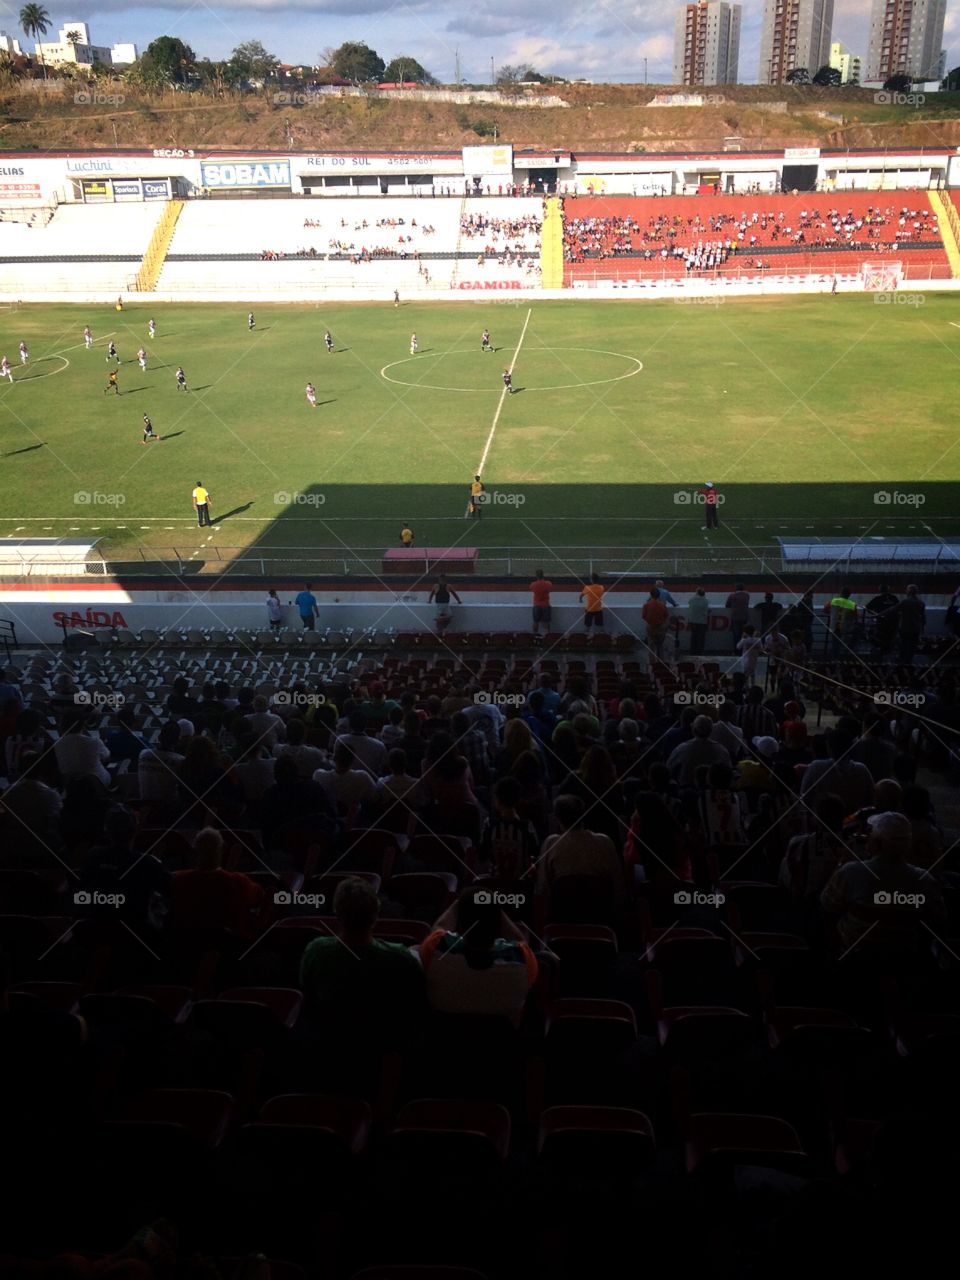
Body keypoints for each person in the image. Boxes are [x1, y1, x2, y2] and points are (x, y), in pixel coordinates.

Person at [300, 877, 424, 1035]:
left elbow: (308, 994)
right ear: (376, 914)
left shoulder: (316, 951)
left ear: (337, 913)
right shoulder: (400, 958)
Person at [820, 810, 944, 951]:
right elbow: (937, 920)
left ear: (877, 843)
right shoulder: (925, 880)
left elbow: (827, 908)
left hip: (855, 960)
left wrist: (841, 864)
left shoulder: (850, 872)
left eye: (871, 835)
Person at [416, 887, 538, 1024]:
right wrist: (494, 908)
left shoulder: (437, 950)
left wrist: (461, 902)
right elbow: (521, 941)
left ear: (459, 925)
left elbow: (438, 929)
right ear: (499, 927)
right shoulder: (522, 959)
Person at [537, 794, 627, 914]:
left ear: (557, 819)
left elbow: (542, 890)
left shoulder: (551, 844)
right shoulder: (604, 842)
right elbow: (619, 887)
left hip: (562, 919)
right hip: (600, 918)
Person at [169, 828, 266, 938]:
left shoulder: (179, 880)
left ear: (195, 850)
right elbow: (258, 896)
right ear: (222, 849)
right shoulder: (238, 881)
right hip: (231, 947)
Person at [667, 714, 732, 786]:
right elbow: (729, 771)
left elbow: (669, 768)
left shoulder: (681, 749)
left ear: (693, 729)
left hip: (687, 792)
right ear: (711, 730)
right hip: (714, 790)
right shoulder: (722, 751)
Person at [54, 712, 111, 787]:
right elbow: (106, 756)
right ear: (83, 725)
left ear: (62, 725)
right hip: (98, 784)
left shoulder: (57, 744)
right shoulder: (95, 742)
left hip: (69, 785)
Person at [886, 584, 925, 664]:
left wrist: (878, 614)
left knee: (903, 645)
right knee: (912, 647)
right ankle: (909, 661)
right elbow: (923, 618)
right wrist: (922, 629)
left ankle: (902, 661)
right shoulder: (921, 603)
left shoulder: (905, 602)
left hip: (905, 628)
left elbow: (892, 610)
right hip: (916, 628)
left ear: (908, 592)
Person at [866, 583, 899, 654]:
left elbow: (867, 608)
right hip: (893, 623)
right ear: (888, 590)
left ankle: (880, 652)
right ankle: (887, 653)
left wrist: (875, 614)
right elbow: (899, 608)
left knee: (880, 638)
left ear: (880, 590)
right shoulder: (894, 598)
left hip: (881, 623)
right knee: (890, 639)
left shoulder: (877, 599)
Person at [827, 586, 857, 655]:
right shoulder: (852, 604)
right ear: (849, 595)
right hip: (846, 628)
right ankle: (843, 657)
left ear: (841, 593)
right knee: (844, 645)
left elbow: (825, 609)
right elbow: (856, 616)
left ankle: (834, 658)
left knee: (835, 644)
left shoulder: (834, 601)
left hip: (834, 627)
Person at [642, 587, 670, 660]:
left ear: (651, 595)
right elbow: (666, 615)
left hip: (651, 627)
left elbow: (644, 616)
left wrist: (650, 622)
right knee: (660, 646)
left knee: (651, 646)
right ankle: (661, 663)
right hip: (661, 628)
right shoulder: (662, 605)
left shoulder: (646, 605)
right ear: (659, 595)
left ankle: (652, 664)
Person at [580, 572, 606, 637]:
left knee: (587, 625)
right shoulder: (601, 587)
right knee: (600, 625)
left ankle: (585, 637)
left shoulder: (587, 588)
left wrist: (580, 599)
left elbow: (582, 595)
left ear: (591, 580)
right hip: (598, 609)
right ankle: (600, 637)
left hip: (589, 609)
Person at [725, 582, 750, 648]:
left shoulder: (732, 595)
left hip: (735, 617)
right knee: (743, 634)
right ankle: (742, 649)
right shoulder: (747, 595)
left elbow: (727, 605)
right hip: (744, 617)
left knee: (736, 635)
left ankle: (737, 649)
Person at [530, 568, 553, 637]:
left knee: (535, 621)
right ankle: (547, 636)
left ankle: (535, 636)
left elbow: (531, 588)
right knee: (546, 622)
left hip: (537, 605)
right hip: (546, 605)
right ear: (543, 575)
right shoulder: (548, 584)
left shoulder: (533, 585)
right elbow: (550, 588)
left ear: (536, 576)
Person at [687, 587, 709, 655]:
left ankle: (692, 651)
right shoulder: (705, 600)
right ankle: (700, 651)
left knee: (693, 637)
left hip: (693, 620)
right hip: (702, 621)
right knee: (701, 638)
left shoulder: (692, 599)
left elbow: (689, 602)